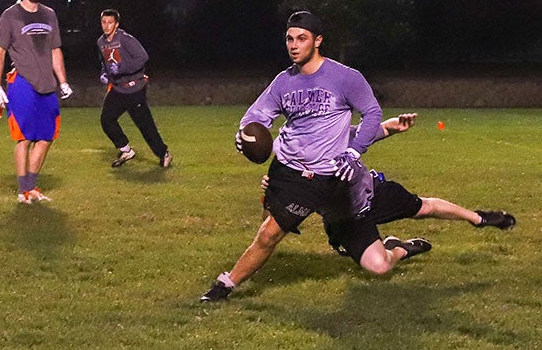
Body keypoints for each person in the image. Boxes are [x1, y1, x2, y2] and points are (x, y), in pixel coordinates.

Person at [199, 10, 413, 301]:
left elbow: (373, 114)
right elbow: (257, 116)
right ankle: (247, 267)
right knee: (267, 226)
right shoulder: (283, 82)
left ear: (317, 41)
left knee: (269, 235)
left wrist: (353, 151)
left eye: (302, 38)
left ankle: (225, 284)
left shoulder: (344, 77)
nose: (294, 45)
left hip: (318, 176)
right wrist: (245, 135)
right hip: (285, 169)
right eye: (289, 39)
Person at [200, 113, 516, 302]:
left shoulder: (332, 139)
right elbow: (268, 228)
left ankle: (478, 218)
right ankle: (400, 248)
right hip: (346, 221)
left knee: (423, 206)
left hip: (373, 193)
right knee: (380, 267)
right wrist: (267, 195)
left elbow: (374, 131)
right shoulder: (287, 174)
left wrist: (395, 124)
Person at [0, 0, 74, 204]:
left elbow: (55, 50)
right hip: (22, 82)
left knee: (47, 137)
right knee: (24, 138)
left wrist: (63, 81)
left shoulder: (49, 15)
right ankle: (22, 190)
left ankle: (32, 186)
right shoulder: (11, 16)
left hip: (47, 83)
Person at [97, 9, 172, 168]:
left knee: (145, 125)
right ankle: (126, 150)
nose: (106, 26)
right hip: (118, 89)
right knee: (106, 120)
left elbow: (142, 57)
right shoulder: (101, 42)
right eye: (104, 22)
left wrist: (123, 67)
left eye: (110, 22)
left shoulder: (125, 39)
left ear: (116, 24)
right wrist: (105, 73)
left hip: (134, 89)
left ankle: (163, 153)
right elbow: (105, 63)